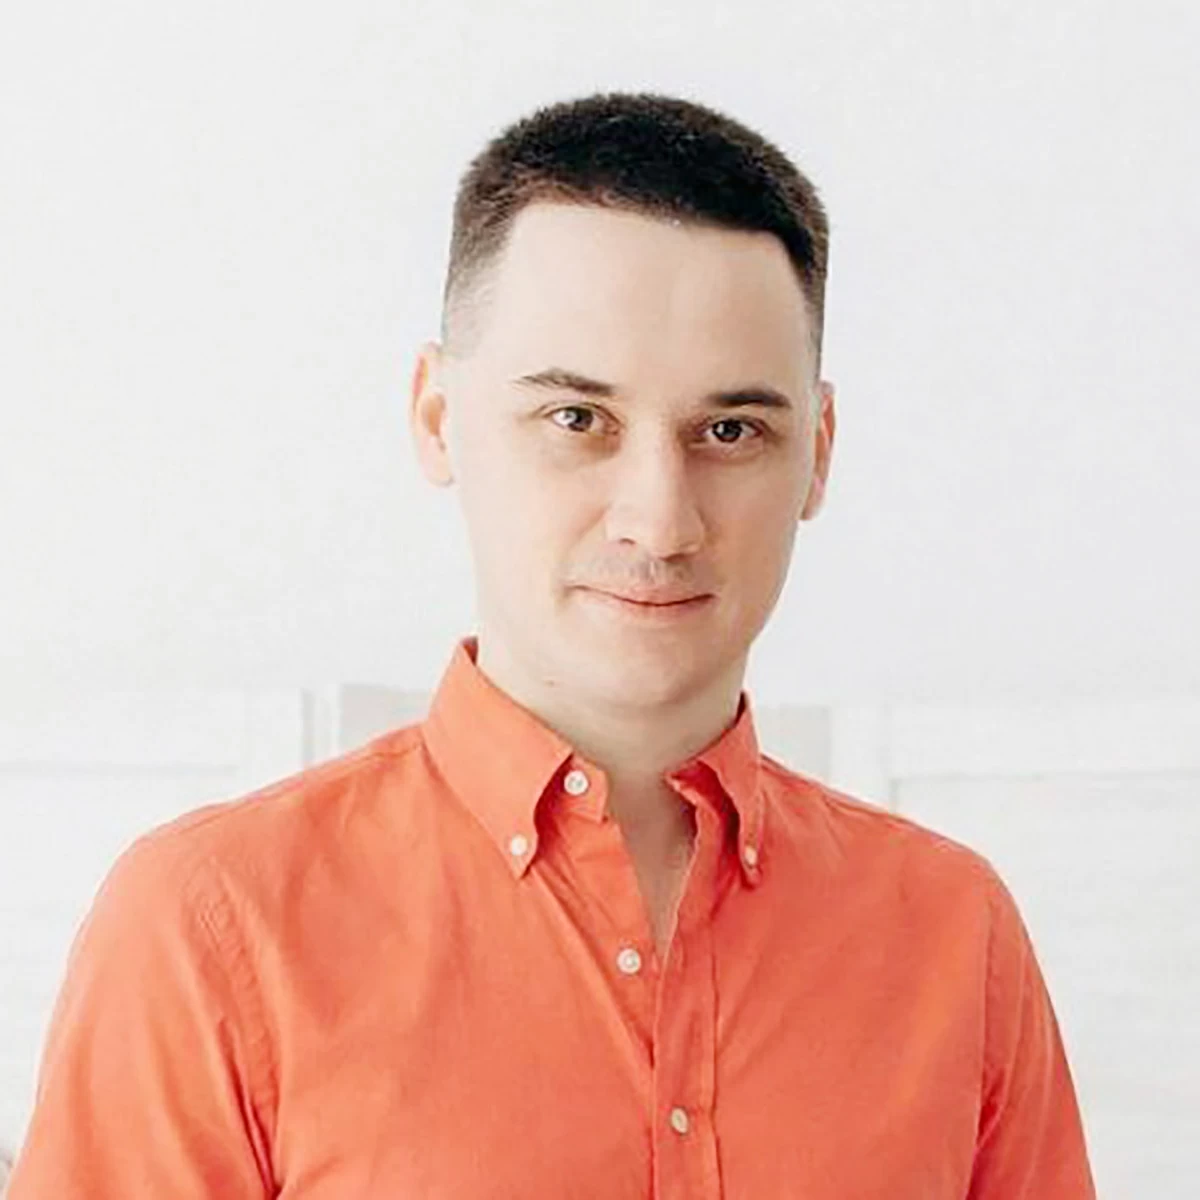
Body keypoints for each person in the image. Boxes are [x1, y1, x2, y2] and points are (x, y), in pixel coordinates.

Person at [7, 91, 1097, 1198]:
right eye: (578, 420)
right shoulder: (210, 925)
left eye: (730, 431)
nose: (659, 522)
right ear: (438, 418)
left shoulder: (955, 935)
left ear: (816, 453)